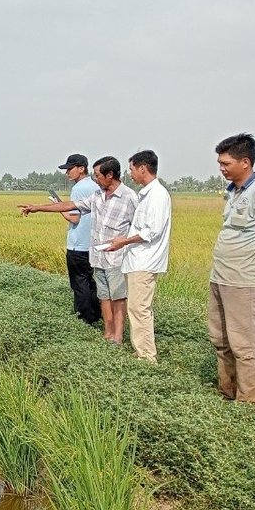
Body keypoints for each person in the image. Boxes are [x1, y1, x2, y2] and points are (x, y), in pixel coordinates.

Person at [19, 156, 137, 344]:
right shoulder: (97, 195)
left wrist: (125, 243)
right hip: (98, 256)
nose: (95, 179)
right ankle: (108, 333)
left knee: (118, 297)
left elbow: (139, 228)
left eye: (97, 175)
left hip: (117, 257)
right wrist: (37, 208)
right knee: (103, 296)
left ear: (110, 175)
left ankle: (118, 335)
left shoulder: (130, 197)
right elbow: (70, 206)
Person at [207, 133, 255, 404]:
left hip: (242, 281)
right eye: (220, 163)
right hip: (220, 277)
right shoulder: (233, 191)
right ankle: (228, 392)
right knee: (221, 339)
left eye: (226, 163)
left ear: (245, 162)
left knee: (245, 345)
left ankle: (250, 403)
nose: (221, 168)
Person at [104, 150, 171, 362]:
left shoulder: (157, 195)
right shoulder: (147, 194)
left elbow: (152, 230)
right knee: (137, 308)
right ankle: (141, 350)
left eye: (132, 169)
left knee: (140, 309)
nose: (130, 174)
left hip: (145, 262)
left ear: (143, 168)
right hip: (138, 261)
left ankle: (147, 356)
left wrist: (123, 241)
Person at [57, 153, 102, 326]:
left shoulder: (78, 189)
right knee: (90, 281)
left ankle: (84, 320)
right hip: (92, 244)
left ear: (81, 168)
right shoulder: (95, 186)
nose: (67, 172)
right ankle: (96, 314)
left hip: (78, 246)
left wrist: (59, 207)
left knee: (79, 283)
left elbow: (74, 218)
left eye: (70, 169)